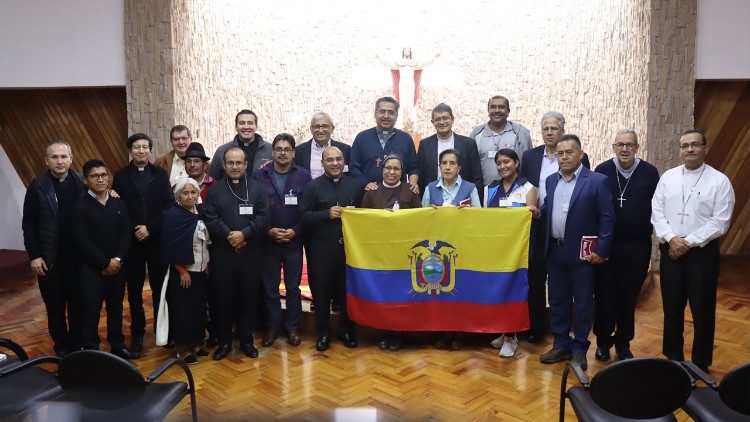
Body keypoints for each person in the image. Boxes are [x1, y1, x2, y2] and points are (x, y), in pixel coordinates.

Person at [651, 130, 735, 372]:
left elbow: (720, 221)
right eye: (685, 145)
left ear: (704, 148)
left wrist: (687, 242)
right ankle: (674, 359)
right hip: (671, 251)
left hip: (702, 254)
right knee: (672, 307)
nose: (689, 149)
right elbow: (657, 211)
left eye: (695, 145)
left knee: (703, 309)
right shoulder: (668, 177)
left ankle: (701, 363)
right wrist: (671, 238)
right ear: (679, 150)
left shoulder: (719, 181)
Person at [538, 134, 614, 371]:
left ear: (580, 154)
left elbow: (607, 218)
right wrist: (537, 212)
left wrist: (602, 250)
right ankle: (561, 344)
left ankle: (580, 348)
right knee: (558, 301)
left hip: (584, 255)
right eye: (559, 153)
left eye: (569, 152)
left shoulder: (597, 181)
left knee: (582, 303)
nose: (564, 157)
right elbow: (549, 208)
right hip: (556, 252)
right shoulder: (551, 180)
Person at [519, 111, 591, 343]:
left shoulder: (580, 158)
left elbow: (585, 190)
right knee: (536, 277)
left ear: (562, 130)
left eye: (554, 129)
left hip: (567, 228)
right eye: (545, 129)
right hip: (536, 223)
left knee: (568, 285)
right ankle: (537, 327)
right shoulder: (529, 156)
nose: (549, 133)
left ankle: (573, 335)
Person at [593, 130, 659, 362]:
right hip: (608, 246)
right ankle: (602, 341)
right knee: (605, 295)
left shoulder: (649, 172)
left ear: (637, 147)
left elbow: (657, 207)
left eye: (629, 145)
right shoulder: (602, 171)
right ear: (613, 147)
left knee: (629, 295)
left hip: (637, 245)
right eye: (620, 144)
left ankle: (623, 342)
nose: (624, 149)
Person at [203, 147, 269, 360]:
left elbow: (264, 217)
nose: (234, 166)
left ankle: (246, 340)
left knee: (249, 297)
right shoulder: (215, 191)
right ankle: (224, 341)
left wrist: (245, 234)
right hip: (223, 254)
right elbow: (210, 218)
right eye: (230, 163)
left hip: (251, 254)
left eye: (238, 163)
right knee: (223, 299)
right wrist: (230, 236)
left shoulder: (258, 189)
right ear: (224, 165)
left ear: (246, 164)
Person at [22, 141, 86, 357]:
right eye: (55, 157)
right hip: (51, 260)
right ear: (46, 160)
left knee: (78, 305)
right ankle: (62, 350)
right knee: (56, 308)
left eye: (64, 156)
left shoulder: (81, 181)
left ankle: (77, 347)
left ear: (71, 158)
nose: (60, 161)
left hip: (78, 259)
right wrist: (35, 255)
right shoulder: (38, 186)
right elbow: (28, 223)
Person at [112, 133, 173, 356]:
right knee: (135, 290)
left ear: (150, 150)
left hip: (156, 240)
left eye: (145, 147)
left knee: (159, 288)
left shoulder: (159, 174)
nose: (141, 150)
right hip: (133, 241)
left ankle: (161, 331)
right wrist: (136, 228)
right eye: (136, 147)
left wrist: (150, 228)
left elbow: (167, 206)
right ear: (130, 150)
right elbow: (120, 208)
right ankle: (137, 334)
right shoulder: (120, 176)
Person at [300, 146, 363, 351]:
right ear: (322, 163)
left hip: (349, 250)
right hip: (321, 250)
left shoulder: (355, 186)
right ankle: (323, 332)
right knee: (322, 292)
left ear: (344, 161)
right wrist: (325, 214)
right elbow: (304, 216)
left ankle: (346, 330)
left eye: (338, 159)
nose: (335, 163)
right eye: (330, 160)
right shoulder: (313, 187)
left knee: (346, 292)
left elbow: (365, 213)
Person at [252, 134, 312, 348]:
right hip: (268, 243)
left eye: (287, 149)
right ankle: (272, 328)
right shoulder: (260, 176)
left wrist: (295, 232)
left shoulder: (303, 176)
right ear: (273, 151)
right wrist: (268, 230)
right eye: (278, 149)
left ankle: (293, 328)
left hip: (293, 243)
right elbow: (256, 210)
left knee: (293, 288)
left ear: (293, 152)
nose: (283, 152)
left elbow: (308, 210)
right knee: (270, 288)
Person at [73, 159, 134, 359]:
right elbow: (82, 240)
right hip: (92, 269)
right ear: (86, 180)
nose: (100, 180)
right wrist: (104, 263)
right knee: (91, 310)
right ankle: (92, 349)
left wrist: (116, 259)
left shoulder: (118, 202)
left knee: (116, 308)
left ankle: (117, 345)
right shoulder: (80, 205)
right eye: (95, 176)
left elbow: (126, 233)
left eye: (104, 175)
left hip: (117, 266)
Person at [362, 154, 422, 351]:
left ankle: (399, 333)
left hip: (404, 253)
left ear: (402, 172)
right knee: (384, 294)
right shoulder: (372, 191)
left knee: (401, 294)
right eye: (388, 168)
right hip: (379, 253)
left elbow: (419, 220)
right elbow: (363, 220)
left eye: (396, 169)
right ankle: (384, 331)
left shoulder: (410, 191)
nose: (392, 172)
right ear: (382, 170)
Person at [422, 148, 480, 350]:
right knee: (440, 290)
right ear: (439, 166)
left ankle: (459, 333)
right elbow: (422, 219)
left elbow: (479, 218)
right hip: (437, 252)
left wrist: (468, 214)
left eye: (452, 163)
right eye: (444, 163)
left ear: (459, 167)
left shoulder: (470, 188)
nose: (447, 167)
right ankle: (442, 331)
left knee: (460, 289)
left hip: (462, 249)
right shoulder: (430, 188)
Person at [485, 149, 538, 358]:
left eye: (506, 162)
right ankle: (503, 329)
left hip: (517, 252)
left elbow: (532, 215)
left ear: (516, 163)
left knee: (513, 290)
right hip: (496, 250)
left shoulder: (528, 187)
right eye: (498, 163)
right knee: (498, 290)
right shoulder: (489, 188)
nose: (502, 166)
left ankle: (511, 337)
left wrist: (536, 212)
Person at [161, 177, 210, 364]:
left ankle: (196, 343)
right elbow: (168, 245)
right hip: (184, 272)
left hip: (201, 269)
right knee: (183, 311)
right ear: (178, 195)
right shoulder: (172, 215)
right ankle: (183, 348)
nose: (190, 196)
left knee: (198, 309)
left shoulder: (200, 213)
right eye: (185, 193)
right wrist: (182, 270)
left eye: (193, 192)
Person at [349, 97, 420, 193]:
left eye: (391, 112)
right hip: (368, 195)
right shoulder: (362, 138)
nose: (386, 116)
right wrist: (365, 183)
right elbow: (353, 166)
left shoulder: (405, 139)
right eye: (382, 111)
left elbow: (414, 167)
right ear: (375, 113)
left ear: (396, 116)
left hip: (398, 197)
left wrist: (413, 183)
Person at [417, 103, 482, 195]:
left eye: (445, 118)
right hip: (433, 200)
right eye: (437, 119)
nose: (442, 122)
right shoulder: (425, 145)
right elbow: (421, 177)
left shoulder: (468, 144)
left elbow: (477, 177)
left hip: (462, 200)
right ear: (432, 122)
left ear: (452, 119)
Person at [469, 96, 532, 186]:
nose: (497, 110)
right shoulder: (477, 134)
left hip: (514, 191)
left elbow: (528, 165)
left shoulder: (520, 132)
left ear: (508, 111)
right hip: (484, 192)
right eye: (493, 107)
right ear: (488, 111)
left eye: (501, 107)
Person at [376, 47, 440, 129]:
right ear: (403, 52)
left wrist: (434, 56)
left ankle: (410, 122)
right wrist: (380, 57)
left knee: (410, 103)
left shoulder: (414, 63)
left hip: (410, 83)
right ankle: (402, 124)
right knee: (402, 103)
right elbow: (388, 63)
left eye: (408, 51)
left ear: (410, 53)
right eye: (405, 51)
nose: (407, 52)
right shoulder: (399, 63)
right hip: (402, 83)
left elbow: (425, 62)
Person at [210, 110, 272, 180]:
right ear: (236, 127)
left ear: (256, 126)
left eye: (250, 123)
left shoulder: (270, 150)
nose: (246, 127)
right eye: (242, 123)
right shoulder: (222, 151)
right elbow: (213, 180)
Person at [294, 112, 351, 179]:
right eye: (317, 126)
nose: (321, 130)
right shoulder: (299, 151)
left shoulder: (345, 150)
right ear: (311, 129)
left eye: (325, 126)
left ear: (332, 129)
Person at [183, 142, 216, 207]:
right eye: (189, 161)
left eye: (197, 161)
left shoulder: (215, 186)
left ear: (205, 165)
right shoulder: (179, 187)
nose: (192, 165)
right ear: (184, 165)